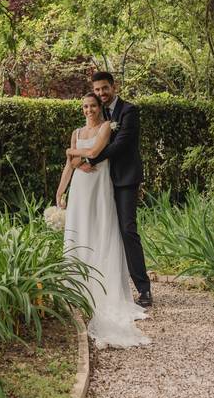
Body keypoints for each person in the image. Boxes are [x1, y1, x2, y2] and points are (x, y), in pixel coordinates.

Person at [55, 92, 150, 348]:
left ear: (100, 108)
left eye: (93, 106)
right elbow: (68, 166)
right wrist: (61, 189)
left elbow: (96, 151)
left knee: (100, 231)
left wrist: (74, 154)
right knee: (79, 231)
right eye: (85, 106)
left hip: (98, 186)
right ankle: (76, 285)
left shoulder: (107, 126)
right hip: (80, 189)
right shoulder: (76, 132)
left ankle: (103, 285)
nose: (89, 110)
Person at [71, 71, 152, 307]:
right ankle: (104, 285)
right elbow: (84, 140)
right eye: (97, 90)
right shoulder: (96, 110)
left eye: (104, 88)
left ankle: (144, 289)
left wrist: (89, 159)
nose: (101, 94)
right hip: (99, 182)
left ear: (113, 87)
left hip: (124, 178)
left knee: (127, 230)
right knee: (101, 229)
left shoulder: (129, 111)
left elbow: (120, 144)